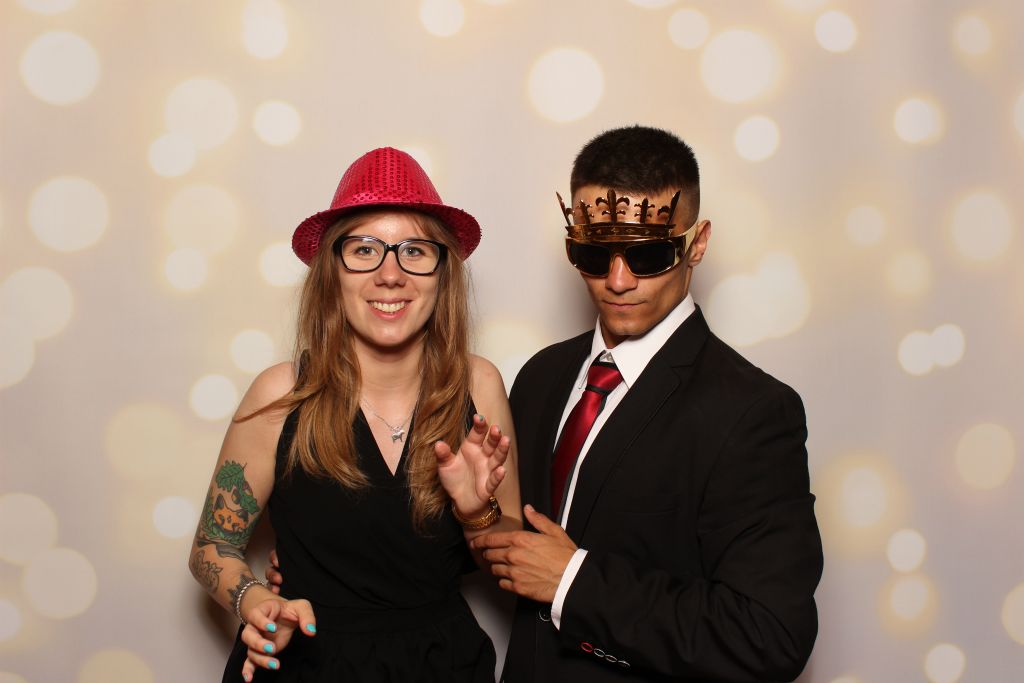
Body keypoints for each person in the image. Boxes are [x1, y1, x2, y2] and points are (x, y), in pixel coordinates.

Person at [470, 125, 824, 682]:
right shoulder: (541, 377)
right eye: (594, 253)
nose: (617, 281)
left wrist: (575, 583)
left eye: (649, 255)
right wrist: (478, 512)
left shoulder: (753, 412)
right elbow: (525, 565)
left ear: (697, 244)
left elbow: (770, 635)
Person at [187, 147, 521, 682]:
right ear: (332, 272)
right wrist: (255, 601)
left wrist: (476, 511)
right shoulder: (280, 394)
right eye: (364, 250)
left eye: (414, 251)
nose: (390, 274)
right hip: (305, 666)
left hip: (442, 666)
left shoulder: (478, 386)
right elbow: (212, 546)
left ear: (442, 273)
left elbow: (507, 557)